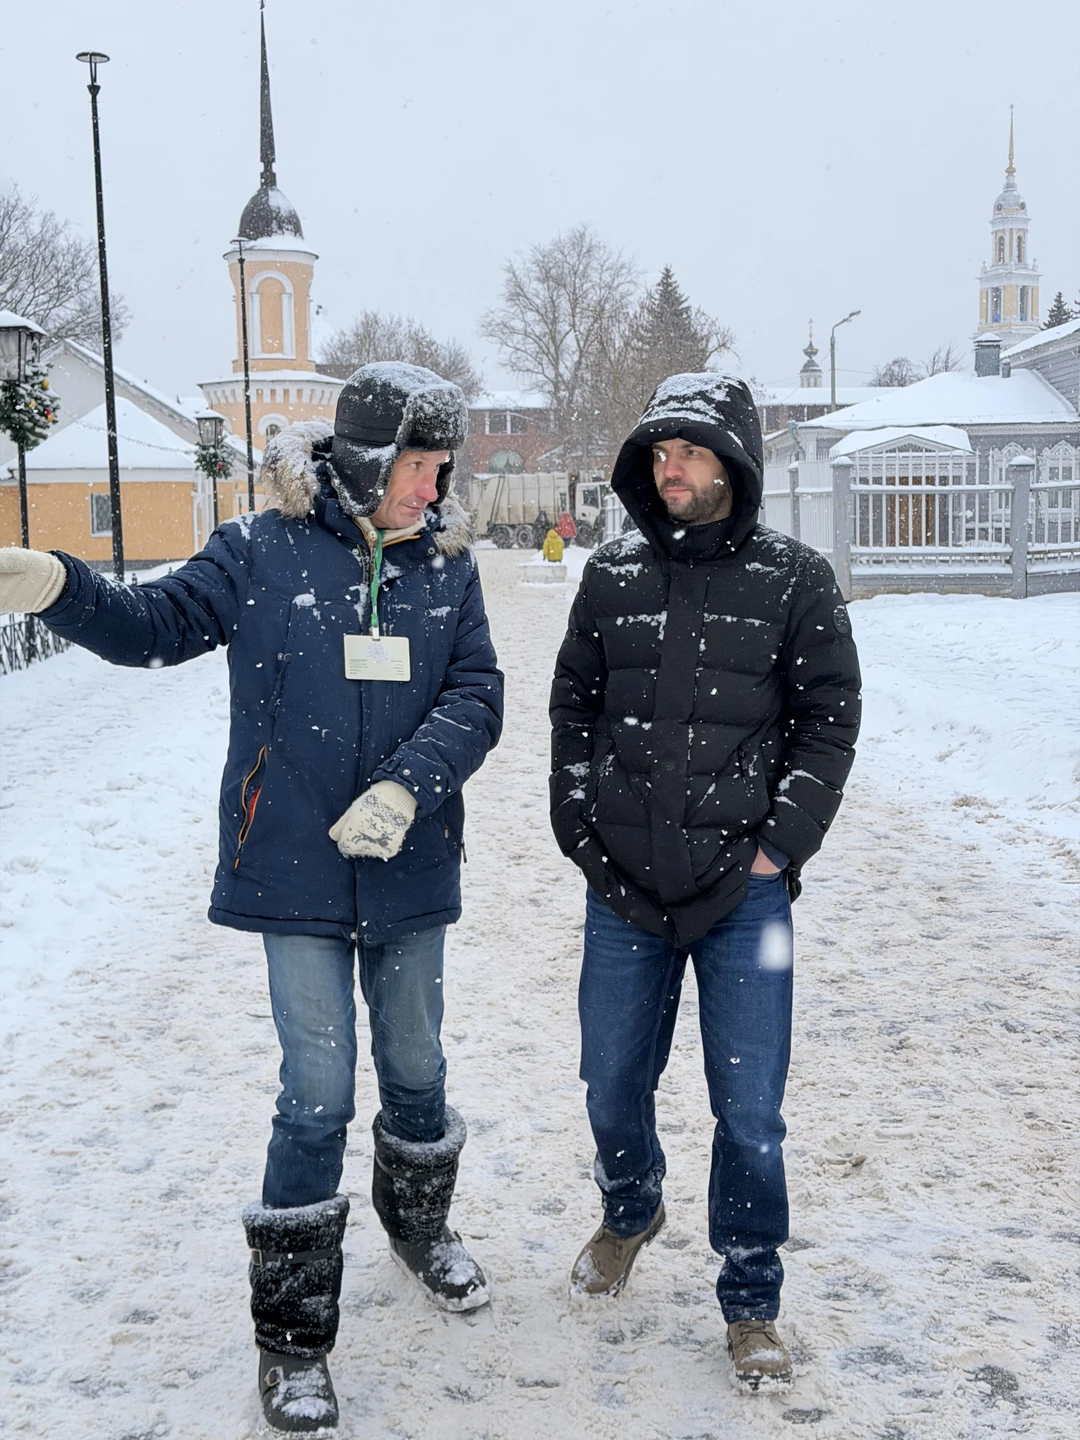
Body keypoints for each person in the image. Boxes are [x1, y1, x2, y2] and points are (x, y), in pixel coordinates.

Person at [0, 363, 504, 1434]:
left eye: (442, 465)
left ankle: (419, 1232)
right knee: (316, 1092)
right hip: (296, 868)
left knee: (416, 1070)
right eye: (418, 463)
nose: (434, 485)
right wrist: (59, 586)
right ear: (367, 460)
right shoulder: (259, 551)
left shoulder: (447, 567)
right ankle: (292, 1339)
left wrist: (406, 790)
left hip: (407, 865)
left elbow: (479, 694)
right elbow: (153, 627)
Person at [549, 372, 860, 1394]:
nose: (663, 467)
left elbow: (829, 720)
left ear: (731, 463)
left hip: (752, 900)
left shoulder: (796, 580)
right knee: (608, 1079)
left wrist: (780, 848)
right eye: (654, 452)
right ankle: (632, 1205)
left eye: (683, 450)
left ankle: (752, 1295)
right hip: (622, 893)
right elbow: (574, 711)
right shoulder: (611, 578)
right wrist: (581, 826)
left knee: (753, 1106)